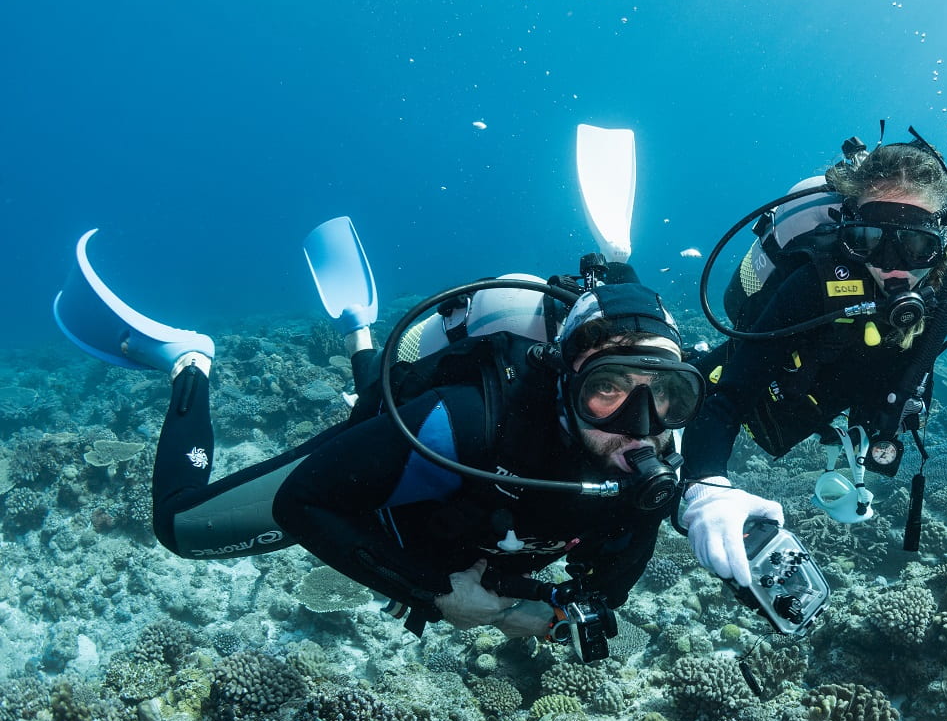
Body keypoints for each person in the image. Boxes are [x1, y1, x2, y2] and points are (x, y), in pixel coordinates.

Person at [54, 227, 705, 641]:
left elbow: (601, 591)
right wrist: (432, 593)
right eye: (608, 391)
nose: (639, 431)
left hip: (448, 525)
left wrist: (553, 615)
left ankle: (359, 333)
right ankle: (188, 361)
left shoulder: (654, 464)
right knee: (181, 530)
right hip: (397, 476)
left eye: (668, 398)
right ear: (564, 381)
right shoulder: (468, 423)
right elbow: (301, 502)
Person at [681, 131, 947, 586]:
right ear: (848, 231)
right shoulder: (813, 281)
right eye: (870, 239)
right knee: (696, 385)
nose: (892, 265)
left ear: (942, 241)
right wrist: (706, 483)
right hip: (790, 386)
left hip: (871, 399)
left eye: (914, 247)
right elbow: (731, 396)